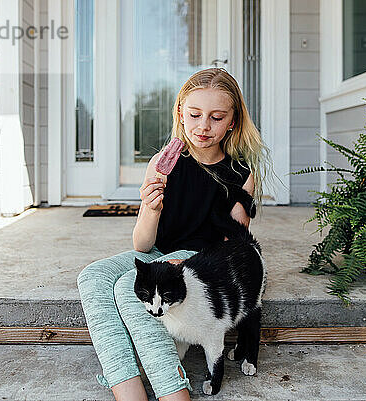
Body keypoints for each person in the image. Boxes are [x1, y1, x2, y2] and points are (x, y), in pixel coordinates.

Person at [77, 67, 270, 401]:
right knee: (92, 276)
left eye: (217, 117)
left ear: (233, 122)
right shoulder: (162, 162)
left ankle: (172, 388)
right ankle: (125, 382)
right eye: (194, 114)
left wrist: (186, 263)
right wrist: (150, 208)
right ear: (181, 113)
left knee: (127, 288)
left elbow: (233, 251)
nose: (204, 126)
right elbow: (142, 245)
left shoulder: (241, 175)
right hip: (158, 254)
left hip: (200, 263)